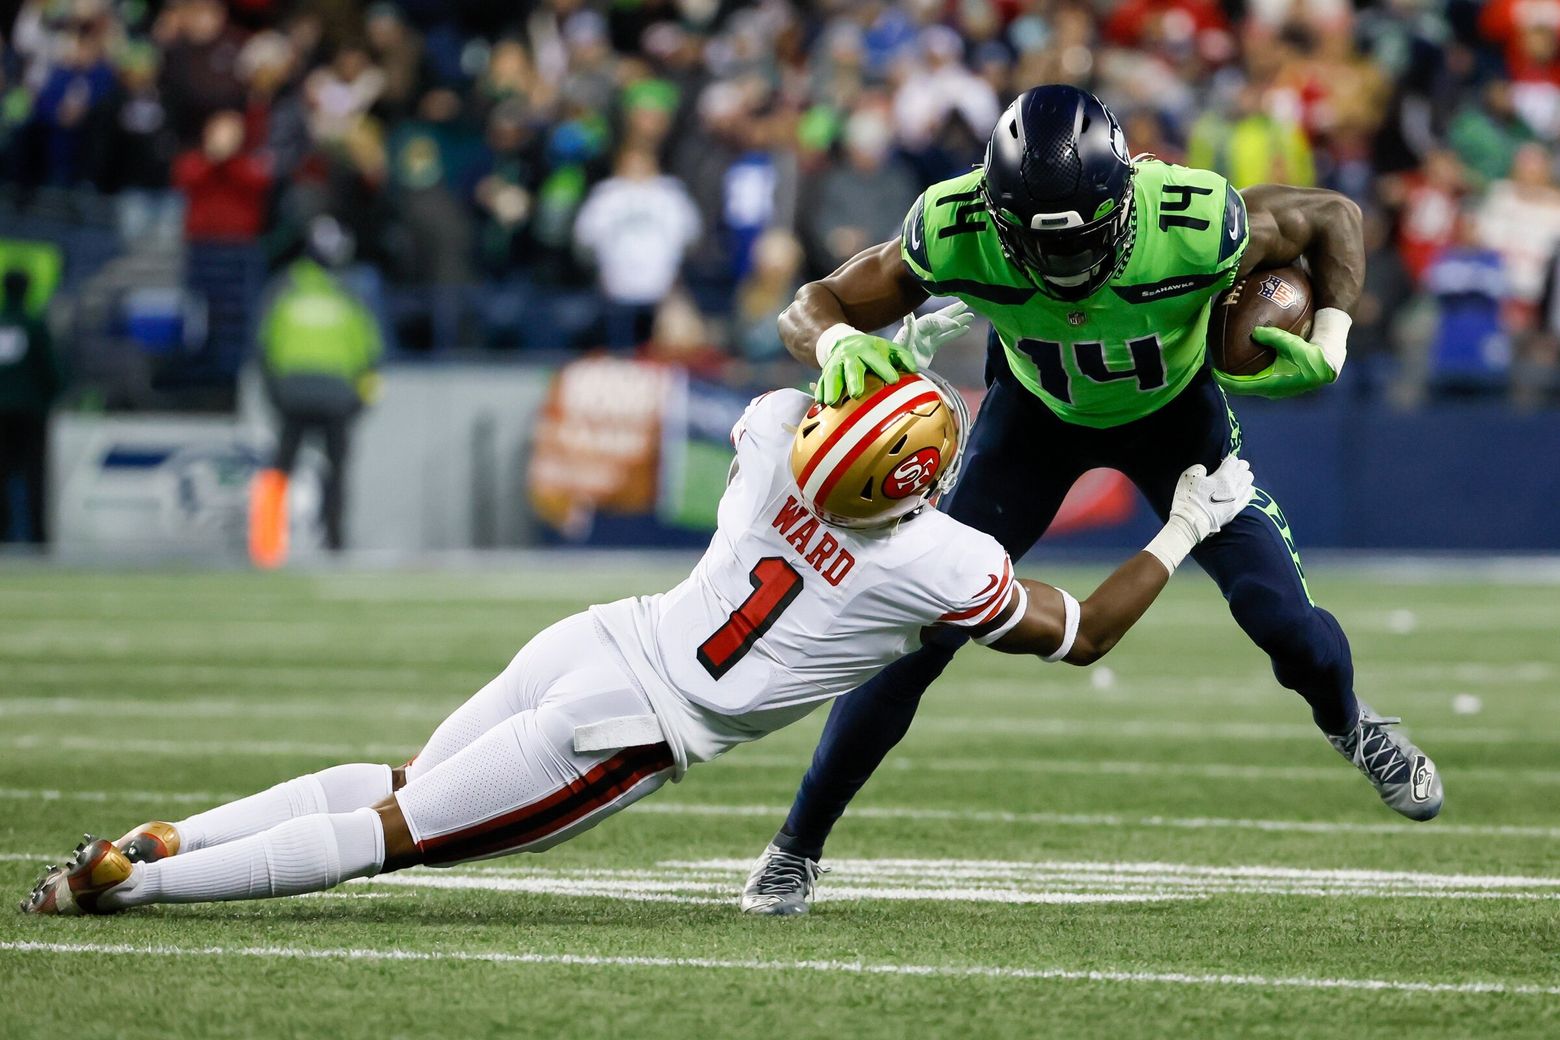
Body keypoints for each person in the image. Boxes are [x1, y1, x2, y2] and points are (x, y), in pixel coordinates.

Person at [21, 373, 1255, 916]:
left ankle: (175, 834)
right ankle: (138, 881)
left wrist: (865, 342)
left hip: (598, 638)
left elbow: (816, 365)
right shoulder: (939, 560)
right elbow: (1084, 632)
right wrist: (1188, 524)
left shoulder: (777, 437)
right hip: (631, 727)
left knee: (401, 780)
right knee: (395, 835)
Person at [739, 84, 1444, 916]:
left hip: (1174, 421)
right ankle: (794, 848)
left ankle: (1353, 722)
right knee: (917, 634)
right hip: (1035, 420)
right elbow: (809, 302)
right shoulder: (953, 224)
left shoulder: (1195, 219)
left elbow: (1333, 216)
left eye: (1084, 243)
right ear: (998, 215)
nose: (1065, 270)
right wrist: (839, 339)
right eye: (1039, 249)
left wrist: (1332, 334)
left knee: (1283, 621)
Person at [249, 217, 382, 565]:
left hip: (292, 392)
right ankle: (335, 542)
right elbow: (370, 355)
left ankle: (267, 545)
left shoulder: (284, 288)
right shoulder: (350, 293)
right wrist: (360, 402)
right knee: (336, 471)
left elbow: (263, 347)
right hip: (338, 395)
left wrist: (274, 394)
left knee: (280, 467)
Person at [0, 270, 64, 544]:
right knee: (35, 475)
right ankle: (37, 535)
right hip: (30, 413)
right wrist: (47, 401)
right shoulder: (34, 326)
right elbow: (52, 371)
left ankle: (3, 533)